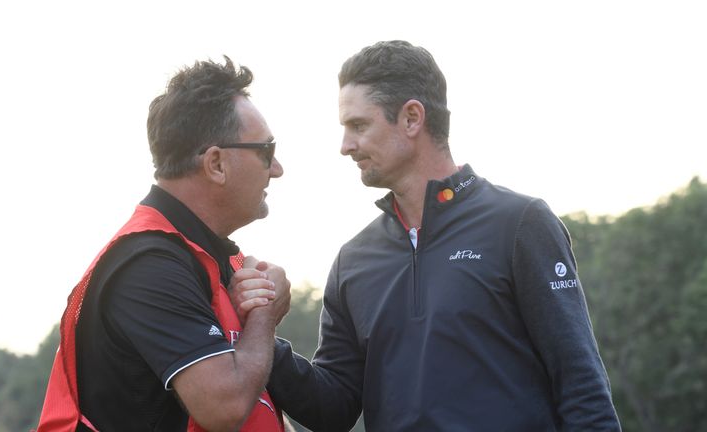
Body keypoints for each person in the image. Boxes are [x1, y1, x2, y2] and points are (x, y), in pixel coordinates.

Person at [261, 41, 622, 430]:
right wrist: (256, 336)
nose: (346, 146)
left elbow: (581, 385)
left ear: (412, 118)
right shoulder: (353, 260)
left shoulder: (520, 224)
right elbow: (332, 411)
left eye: (359, 126)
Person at [35, 57, 292, 432]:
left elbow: (329, 406)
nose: (277, 168)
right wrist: (265, 318)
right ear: (216, 164)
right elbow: (224, 405)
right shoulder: (149, 265)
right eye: (266, 151)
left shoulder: (210, 261)